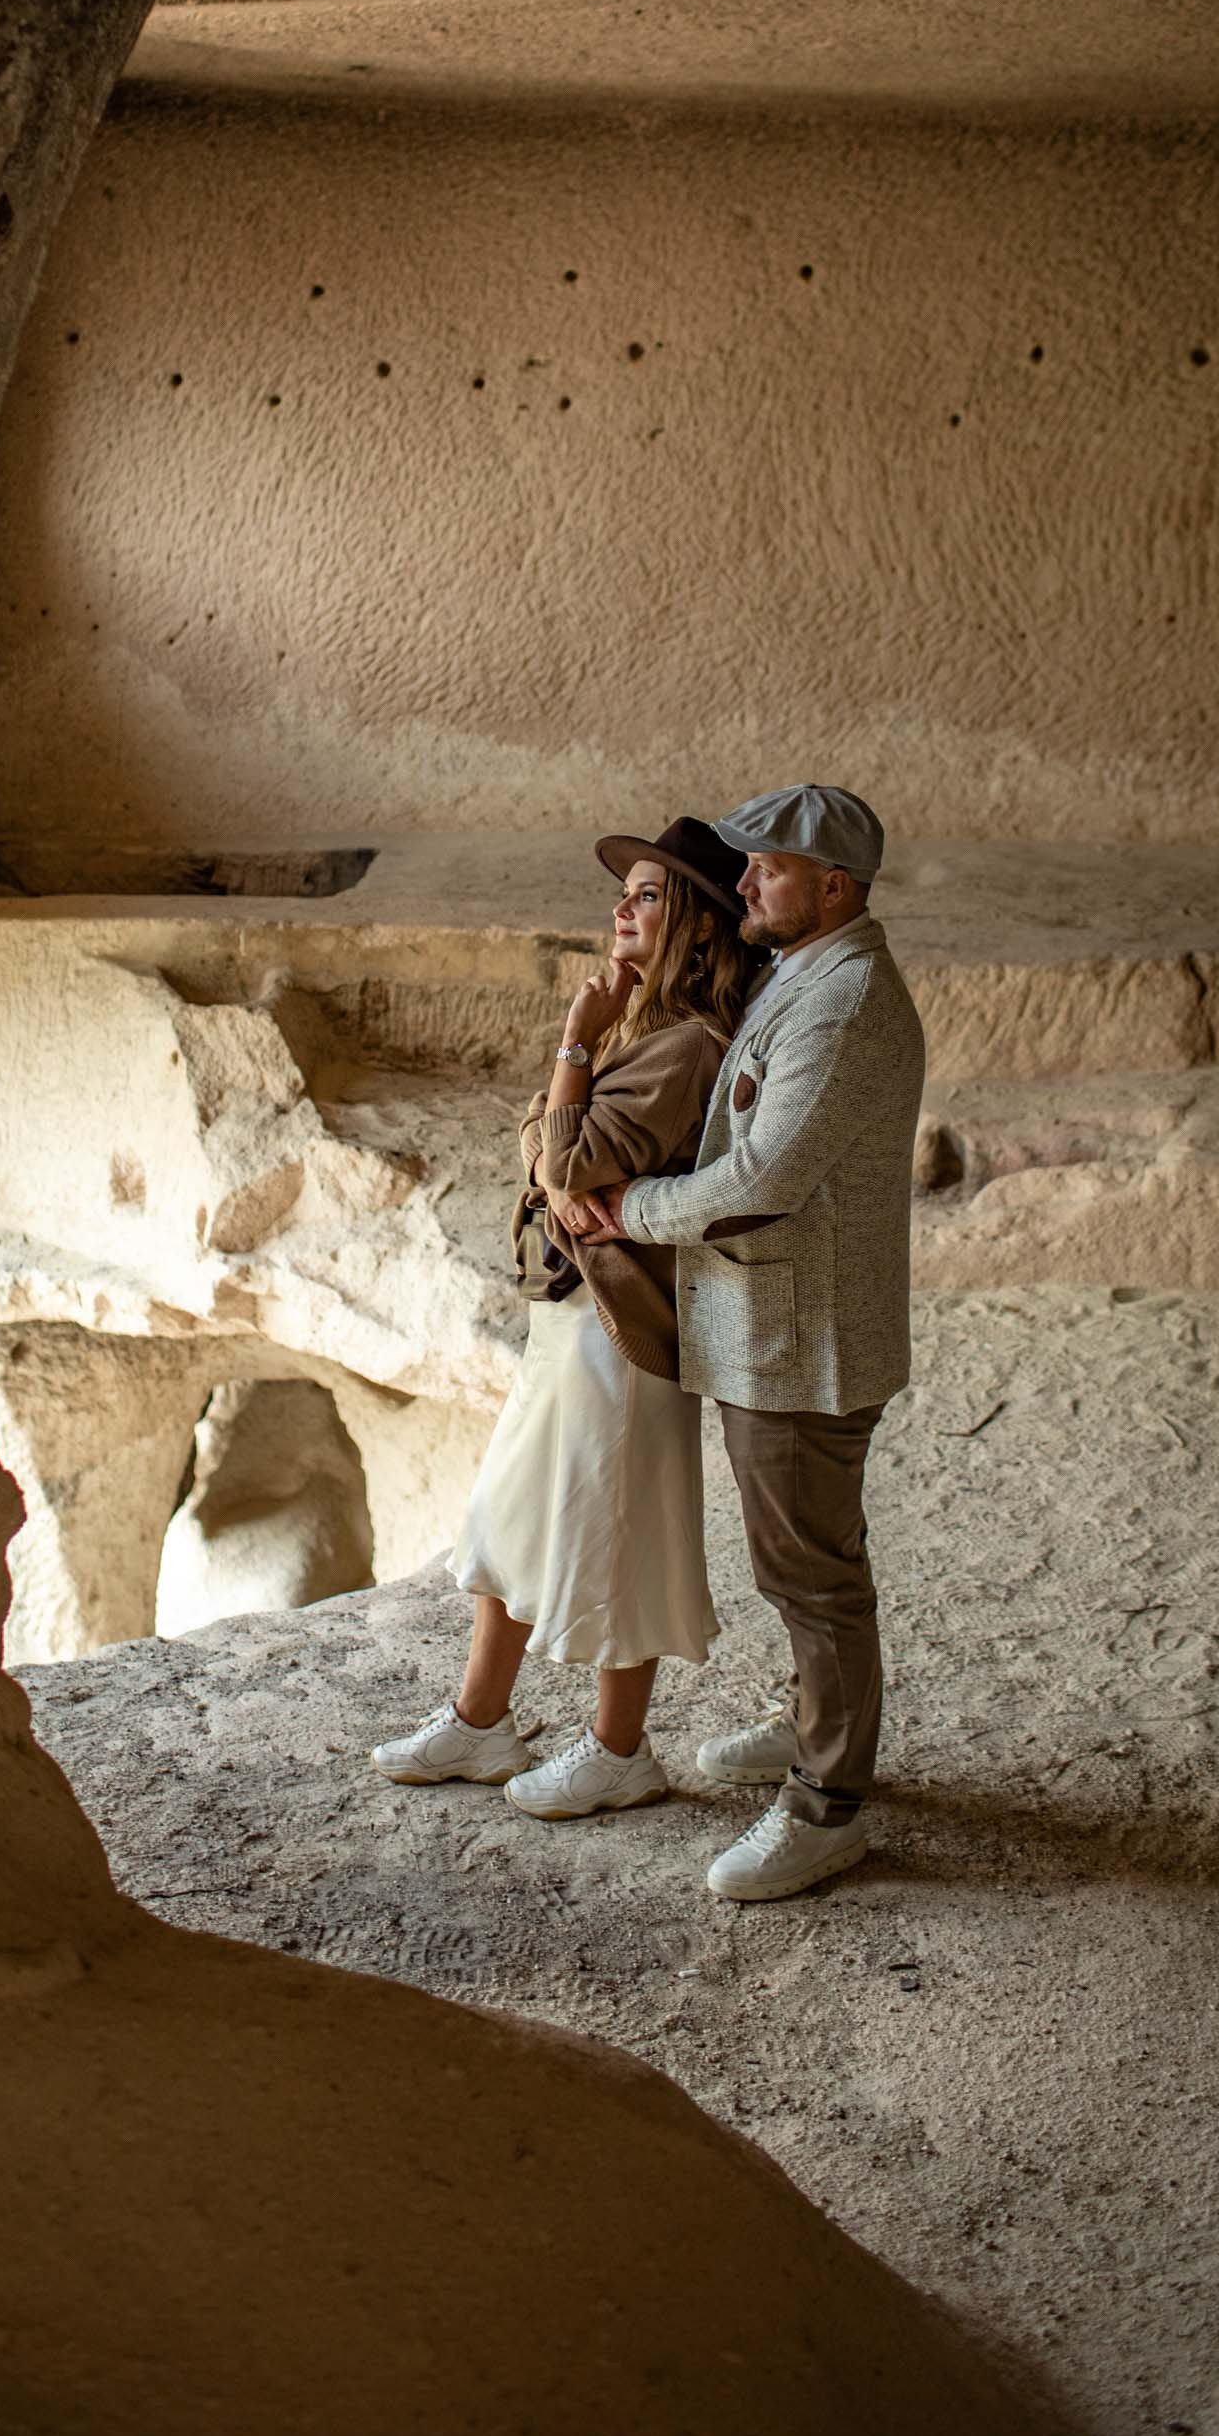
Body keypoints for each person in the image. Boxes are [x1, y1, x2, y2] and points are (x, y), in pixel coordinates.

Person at [577, 784, 926, 1904]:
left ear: (833, 885)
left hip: (801, 1339)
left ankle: (827, 1805)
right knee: (801, 1565)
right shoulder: (804, 972)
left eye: (763, 869)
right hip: (775, 1327)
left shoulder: (844, 1001)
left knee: (812, 1576)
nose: (740, 888)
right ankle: (813, 1727)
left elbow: (764, 1180)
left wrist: (628, 1210)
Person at [371, 819, 759, 1818]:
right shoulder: (645, 1031)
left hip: (619, 1332)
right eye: (623, 893)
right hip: (570, 1313)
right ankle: (479, 1722)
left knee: (615, 1534)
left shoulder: (683, 1045)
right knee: (502, 1518)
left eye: (645, 896)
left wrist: (574, 1051)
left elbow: (563, 1160)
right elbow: (534, 1145)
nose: (619, 910)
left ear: (699, 929)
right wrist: (561, 1144)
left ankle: (617, 1749)